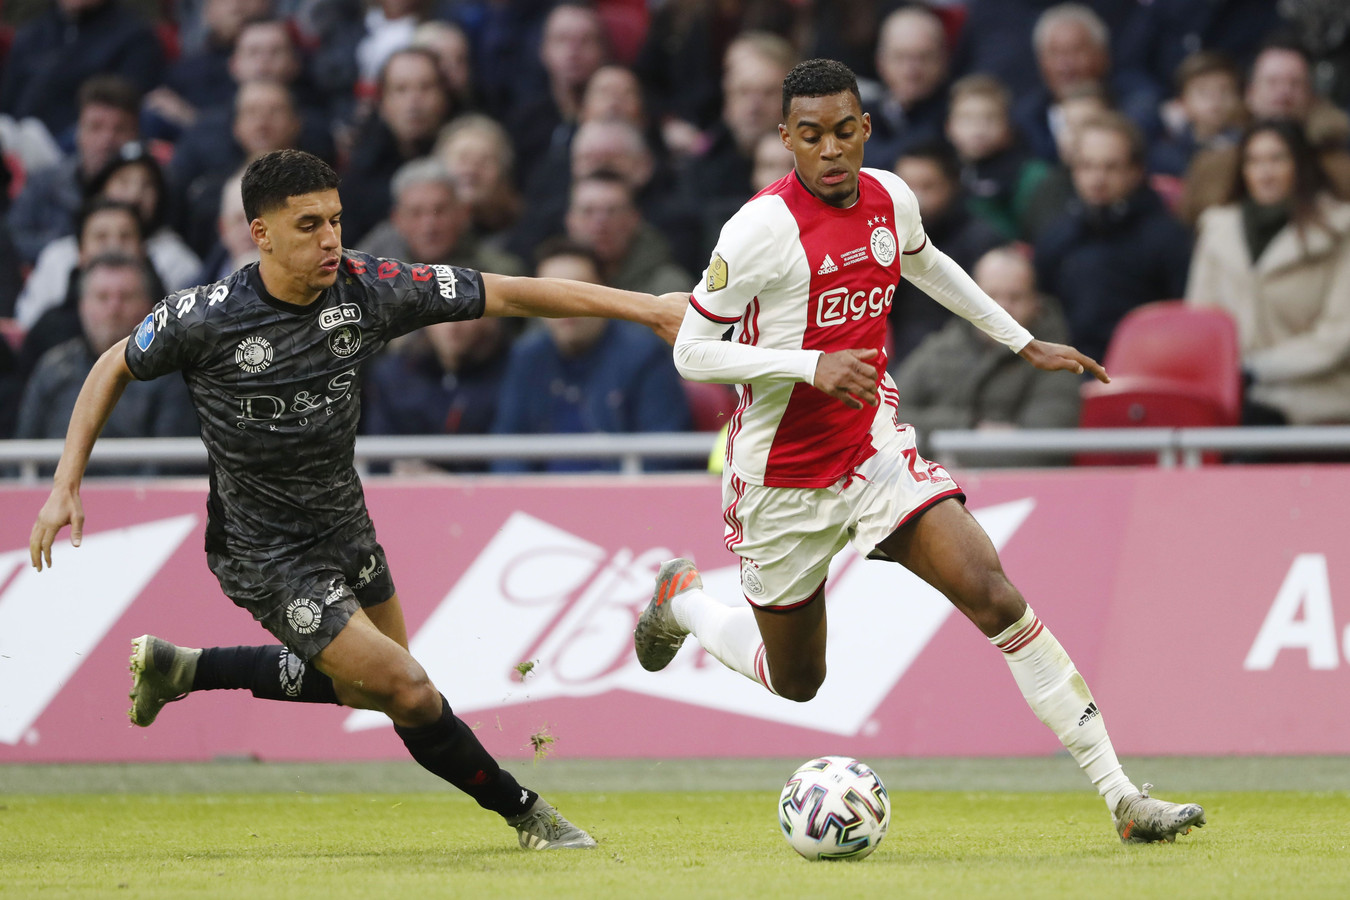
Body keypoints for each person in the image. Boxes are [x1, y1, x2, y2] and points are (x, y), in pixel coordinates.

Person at [29, 149, 682, 851]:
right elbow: (112, 364)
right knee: (410, 690)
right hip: (265, 554)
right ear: (261, 233)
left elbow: (512, 293)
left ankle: (187, 667)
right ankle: (530, 816)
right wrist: (66, 482)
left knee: (376, 688)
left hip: (347, 529)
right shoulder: (205, 317)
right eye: (309, 225)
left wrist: (647, 308)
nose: (331, 240)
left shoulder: (370, 288)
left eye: (336, 220)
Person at [632, 59, 1206, 845]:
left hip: (871, 449)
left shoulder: (890, 197)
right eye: (811, 135)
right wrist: (809, 366)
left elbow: (924, 260)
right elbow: (692, 352)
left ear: (865, 128)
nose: (831, 150)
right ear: (786, 139)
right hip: (779, 479)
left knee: (993, 594)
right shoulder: (758, 230)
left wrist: (1021, 340)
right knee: (797, 680)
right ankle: (685, 603)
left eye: (844, 131)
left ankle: (1123, 799)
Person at [1185, 120, 1350, 425]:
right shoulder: (1217, 228)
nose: (1265, 173)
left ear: (1301, 165)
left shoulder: (1340, 229)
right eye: (1254, 161)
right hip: (1230, 391)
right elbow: (1200, 320)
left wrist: (1256, 369)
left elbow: (1339, 335)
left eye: (1277, 159)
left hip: (1316, 393)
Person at [490, 238, 692, 472]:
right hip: (540, 495)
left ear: (605, 293)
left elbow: (662, 457)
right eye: (547, 296)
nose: (563, 306)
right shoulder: (525, 357)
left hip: (621, 493)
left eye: (578, 292)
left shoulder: (645, 354)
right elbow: (507, 453)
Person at [892, 245, 1081, 464]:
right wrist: (967, 428)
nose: (1002, 308)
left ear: (1035, 302)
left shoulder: (1056, 360)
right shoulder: (942, 346)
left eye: (1015, 297)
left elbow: (1043, 446)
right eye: (990, 297)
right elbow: (887, 414)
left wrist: (947, 451)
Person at [1034, 112, 1192, 362]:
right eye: (1087, 166)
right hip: (1067, 369)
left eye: (1111, 167)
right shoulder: (1056, 234)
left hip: (1146, 365)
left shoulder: (1169, 237)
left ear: (1136, 171)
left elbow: (1184, 320)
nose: (1097, 179)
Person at [15, 253, 198, 467]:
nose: (113, 309)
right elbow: (21, 457)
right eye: (102, 297)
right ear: (82, 306)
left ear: (149, 307)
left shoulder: (171, 375)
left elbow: (170, 468)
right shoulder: (52, 368)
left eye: (126, 297)